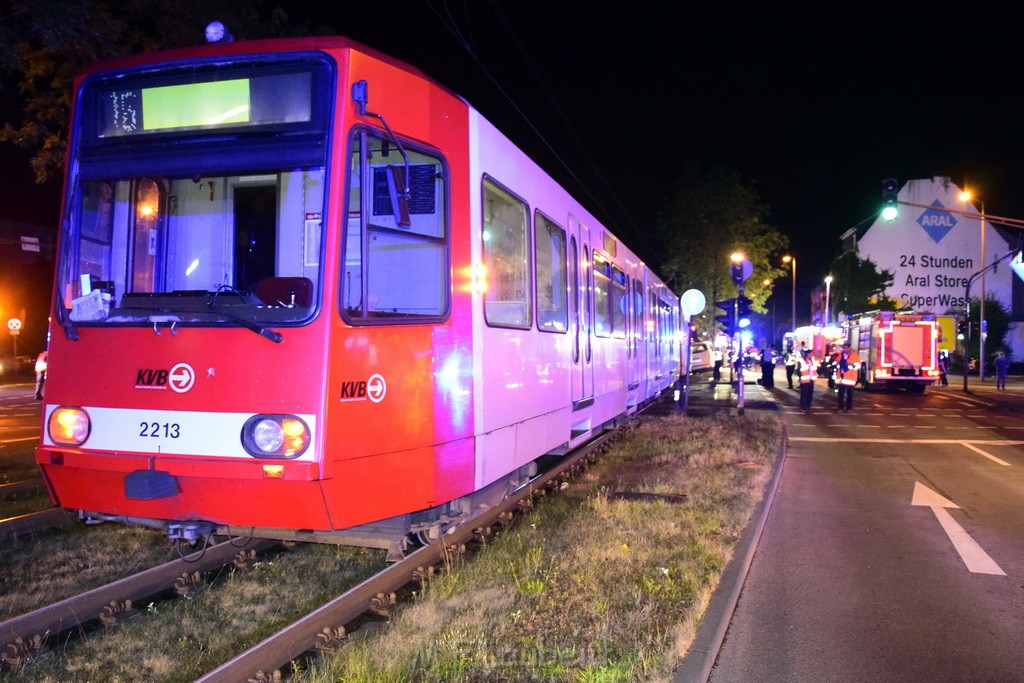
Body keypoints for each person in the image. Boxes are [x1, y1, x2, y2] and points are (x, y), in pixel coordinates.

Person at [836, 343, 861, 412]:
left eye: (846, 348)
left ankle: (848, 408)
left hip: (850, 378)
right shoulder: (840, 355)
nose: (845, 349)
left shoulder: (854, 356)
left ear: (849, 348)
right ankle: (840, 407)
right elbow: (837, 364)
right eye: (844, 348)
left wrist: (850, 365)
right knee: (841, 394)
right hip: (841, 378)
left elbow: (858, 366)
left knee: (849, 395)